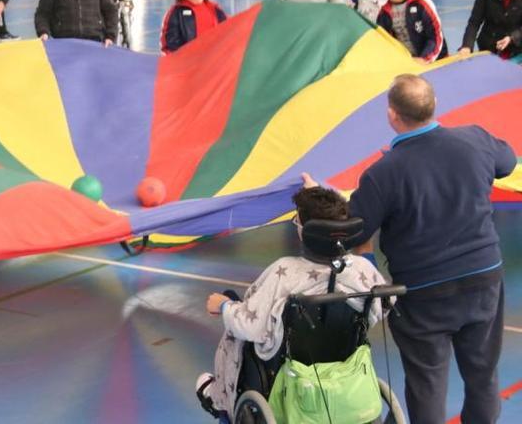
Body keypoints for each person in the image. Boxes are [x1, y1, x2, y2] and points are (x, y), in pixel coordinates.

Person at [302, 74, 516, 424]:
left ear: (392, 114)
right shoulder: (475, 139)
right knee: (483, 377)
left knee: (427, 384)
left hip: (424, 293)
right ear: (432, 106)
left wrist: (316, 196)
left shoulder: (383, 173)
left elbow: (354, 231)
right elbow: (506, 162)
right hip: (483, 279)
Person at [195, 187, 387, 421]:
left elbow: (251, 326)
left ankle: (219, 397)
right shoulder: (361, 270)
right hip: (347, 369)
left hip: (288, 379)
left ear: (304, 230)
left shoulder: (282, 273)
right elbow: (384, 306)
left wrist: (224, 307)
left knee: (235, 314)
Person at [377, 0, 448, 64]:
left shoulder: (422, 3)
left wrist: (424, 59)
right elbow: (383, 43)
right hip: (406, 63)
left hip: (433, 61)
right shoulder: (384, 12)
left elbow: (435, 37)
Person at [160, 0, 227, 53]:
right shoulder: (176, 12)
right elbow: (169, 41)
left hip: (213, 56)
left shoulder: (214, 9)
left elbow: (229, 29)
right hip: (189, 59)